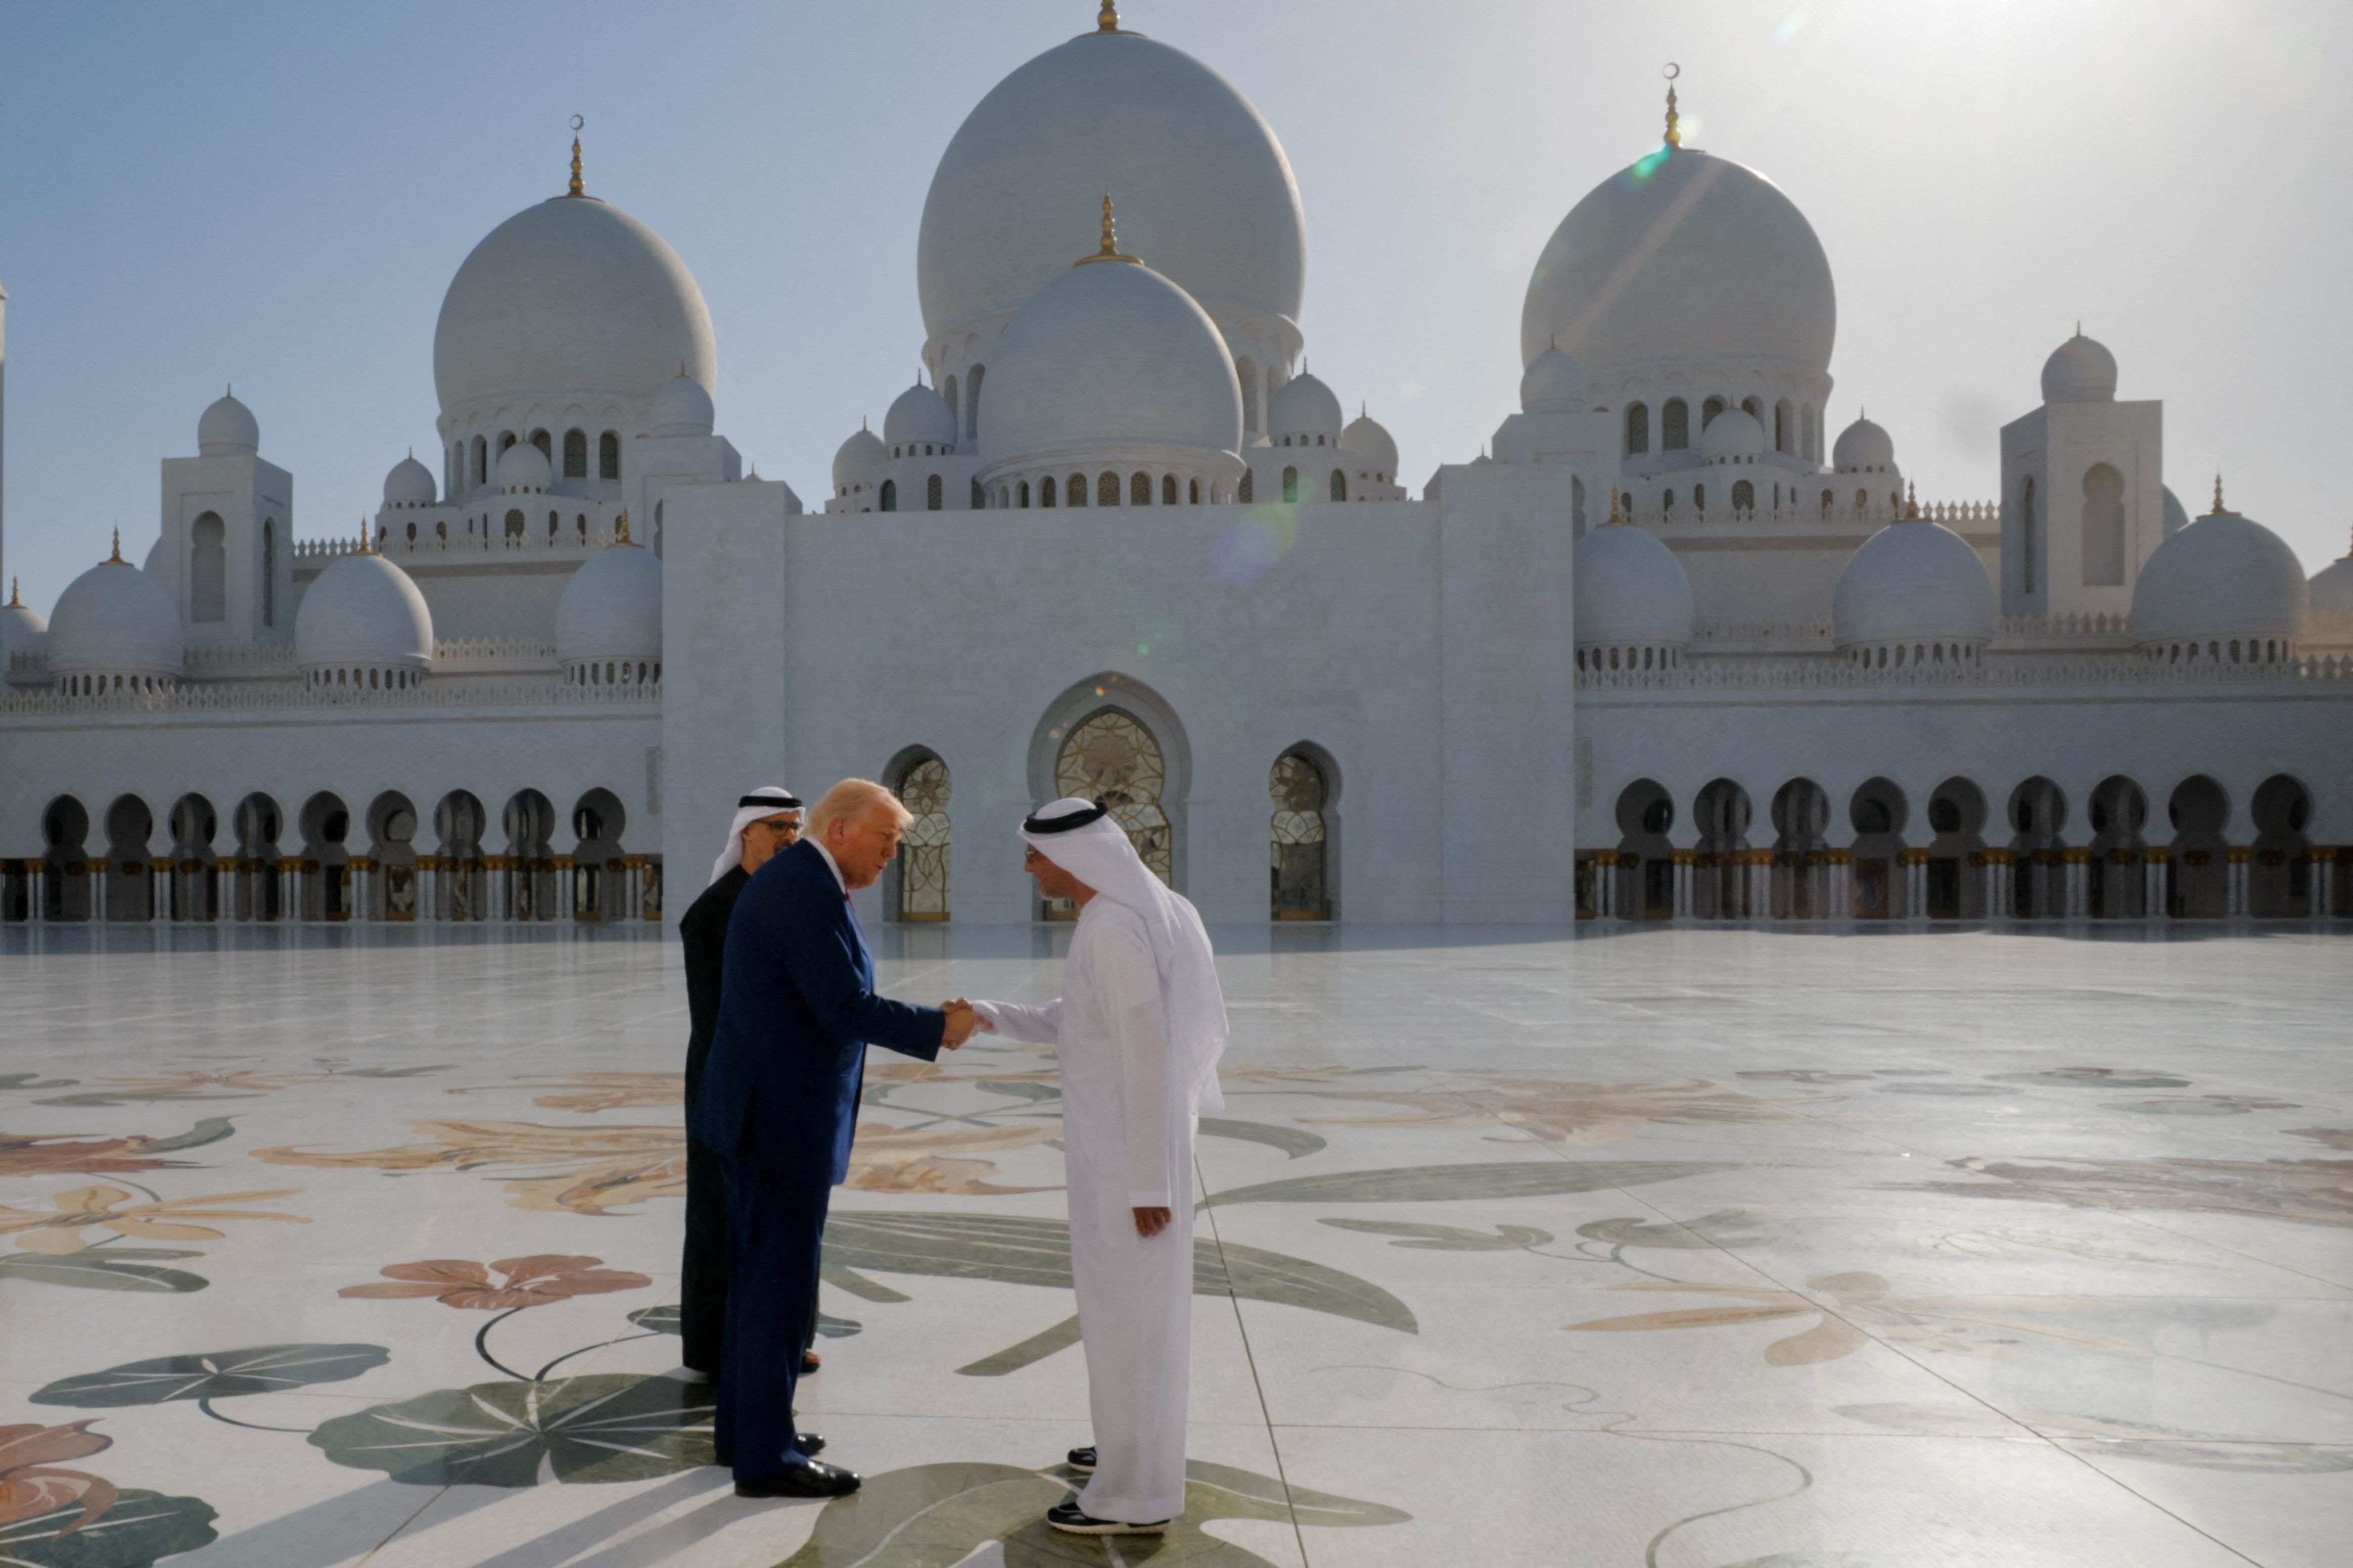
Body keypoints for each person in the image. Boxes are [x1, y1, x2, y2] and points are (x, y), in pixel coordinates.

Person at [692, 778, 982, 1499]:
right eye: (886, 839)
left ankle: (746, 1428)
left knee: (758, 1281)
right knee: (777, 1287)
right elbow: (841, 1003)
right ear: (845, 828)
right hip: (778, 1119)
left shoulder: (798, 879)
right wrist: (934, 1026)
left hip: (767, 1113)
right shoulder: (802, 888)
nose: (891, 854)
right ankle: (766, 1455)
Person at [966, 797, 1229, 1537]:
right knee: (1132, 1314)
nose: (1027, 865)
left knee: (1128, 1316)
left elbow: (1145, 1052)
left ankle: (1130, 1493)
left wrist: (1149, 1181)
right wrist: (991, 1013)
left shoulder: (1112, 927)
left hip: (1127, 1156)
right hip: (1130, 1146)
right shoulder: (1135, 912)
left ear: (1076, 856)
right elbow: (1079, 1019)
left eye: (1034, 854)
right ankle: (1130, 1448)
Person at [677, 787, 804, 1384]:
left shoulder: (793, 900)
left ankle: (786, 1336)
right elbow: (719, 1017)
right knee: (720, 1212)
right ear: (746, 832)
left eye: (795, 827)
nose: (787, 836)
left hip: (783, 1078)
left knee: (784, 1212)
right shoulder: (711, 912)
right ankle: (712, 1345)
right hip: (726, 1081)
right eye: (777, 825)